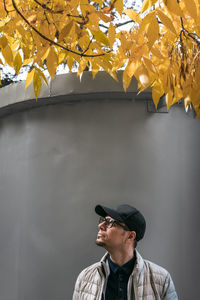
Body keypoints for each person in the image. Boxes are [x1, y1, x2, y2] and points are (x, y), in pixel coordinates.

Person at [72, 204, 178, 300]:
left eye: (110, 223)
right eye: (103, 220)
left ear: (130, 236)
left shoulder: (161, 279)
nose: (101, 226)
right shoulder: (85, 278)